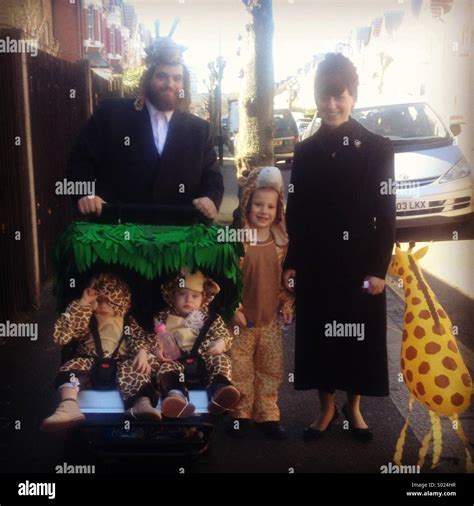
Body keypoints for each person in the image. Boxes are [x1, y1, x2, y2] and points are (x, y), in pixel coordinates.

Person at [283, 53, 396, 442]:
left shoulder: (378, 148)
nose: (331, 104)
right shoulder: (306, 150)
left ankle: (355, 408)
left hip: (360, 265)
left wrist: (379, 269)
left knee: (358, 338)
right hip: (317, 265)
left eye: (339, 96)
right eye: (324, 96)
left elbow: (387, 212)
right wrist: (293, 261)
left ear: (353, 97)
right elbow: (295, 210)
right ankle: (326, 409)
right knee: (320, 338)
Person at [67, 38, 223, 221]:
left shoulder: (199, 129)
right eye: (162, 76)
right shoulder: (111, 114)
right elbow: (80, 159)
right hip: (116, 234)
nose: (170, 84)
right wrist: (86, 194)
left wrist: (211, 199)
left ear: (184, 85)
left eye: (177, 78)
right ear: (149, 79)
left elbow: (212, 178)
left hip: (177, 238)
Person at [41, 273, 162, 431]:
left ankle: (140, 403)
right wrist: (83, 303)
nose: (104, 306)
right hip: (90, 360)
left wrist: (142, 352)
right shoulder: (87, 317)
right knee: (72, 367)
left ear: (120, 303)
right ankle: (68, 405)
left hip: (121, 363)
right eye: (100, 301)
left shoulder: (127, 322)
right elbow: (63, 335)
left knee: (136, 369)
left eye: (110, 302)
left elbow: (138, 338)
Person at [228, 166, 294, 440]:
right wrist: (232, 309)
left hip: (269, 322)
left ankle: (268, 413)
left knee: (270, 369)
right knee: (240, 368)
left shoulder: (281, 244)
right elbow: (225, 281)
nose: (264, 211)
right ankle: (240, 413)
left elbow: (281, 285)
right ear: (247, 204)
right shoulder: (236, 242)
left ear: (278, 209)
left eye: (270, 206)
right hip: (242, 321)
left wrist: (287, 305)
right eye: (258, 204)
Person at [151, 268, 240, 418]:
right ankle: (176, 396)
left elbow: (223, 333)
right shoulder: (162, 318)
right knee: (165, 368)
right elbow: (152, 337)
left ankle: (220, 390)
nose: (188, 300)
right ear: (171, 296)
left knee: (221, 359)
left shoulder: (210, 318)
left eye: (194, 296)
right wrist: (157, 351)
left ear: (203, 299)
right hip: (174, 359)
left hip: (204, 357)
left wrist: (221, 343)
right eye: (182, 294)